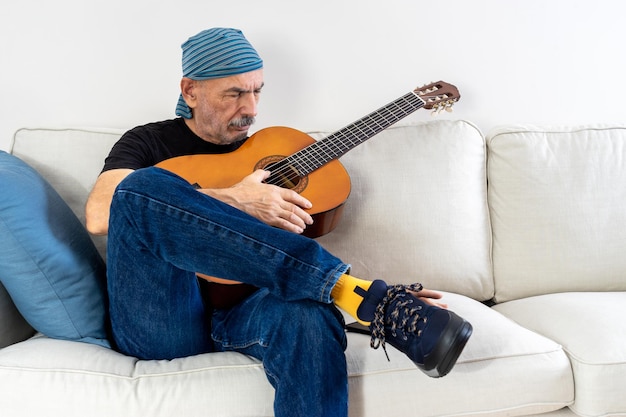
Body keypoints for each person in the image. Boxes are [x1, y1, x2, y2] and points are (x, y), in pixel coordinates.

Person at [85, 27, 472, 417]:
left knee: (310, 315)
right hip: (161, 314)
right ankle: (350, 290)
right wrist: (237, 198)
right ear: (190, 91)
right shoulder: (147, 143)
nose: (251, 108)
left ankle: (348, 294)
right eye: (234, 94)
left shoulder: (274, 149)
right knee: (140, 188)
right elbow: (102, 214)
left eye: (257, 91)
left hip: (246, 308)